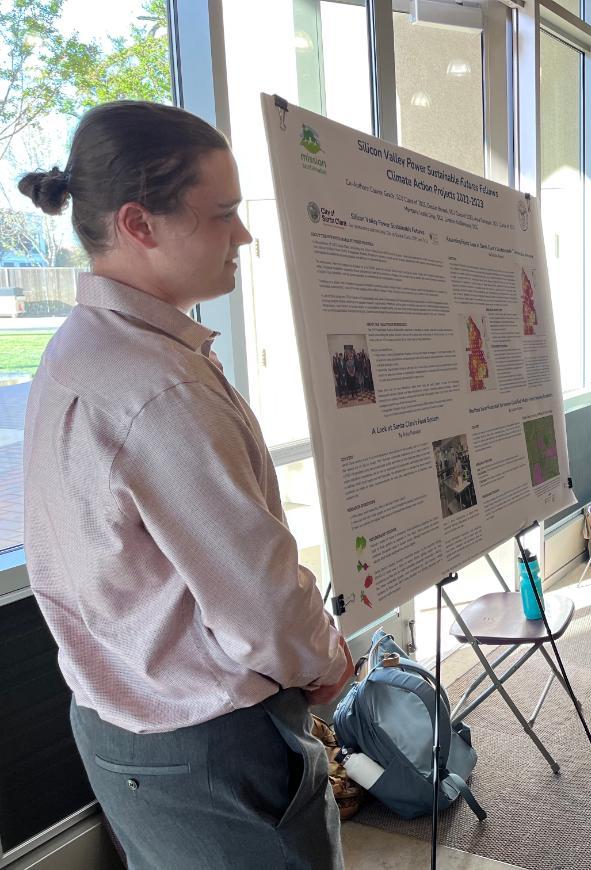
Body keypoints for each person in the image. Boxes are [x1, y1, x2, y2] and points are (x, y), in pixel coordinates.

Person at [20, 102, 353, 870]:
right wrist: (326, 660)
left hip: (115, 722)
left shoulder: (76, 348)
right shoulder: (159, 387)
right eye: (224, 215)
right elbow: (262, 606)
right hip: (210, 740)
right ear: (140, 224)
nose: (243, 236)